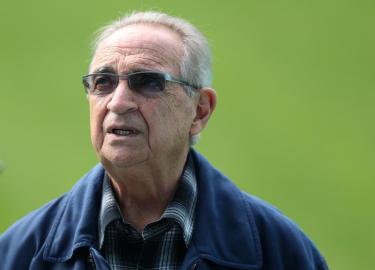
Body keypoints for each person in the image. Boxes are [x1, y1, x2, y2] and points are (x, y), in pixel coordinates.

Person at [0, 11, 328, 270]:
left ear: (200, 111)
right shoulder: (20, 253)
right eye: (103, 82)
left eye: (147, 82)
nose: (117, 102)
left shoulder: (280, 251)